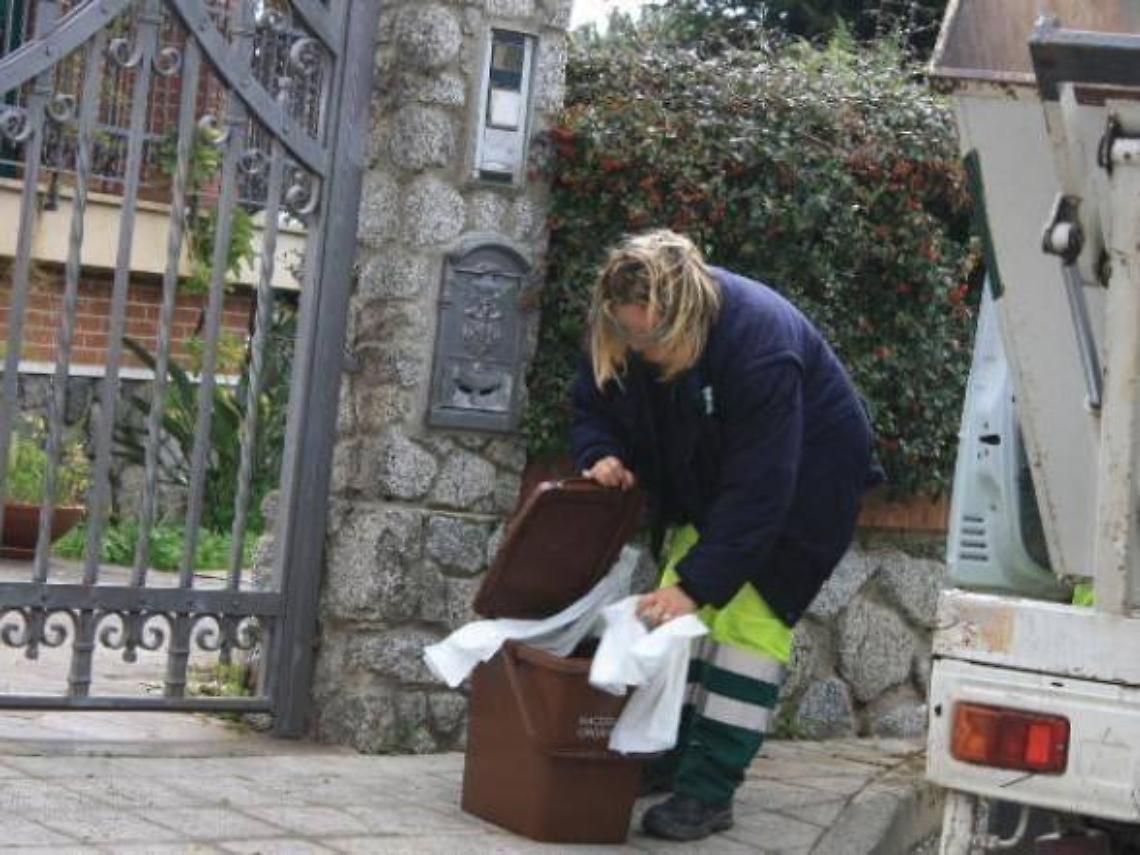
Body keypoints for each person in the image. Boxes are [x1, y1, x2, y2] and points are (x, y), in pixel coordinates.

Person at [572, 229, 884, 842]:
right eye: (628, 335)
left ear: (682, 318)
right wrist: (600, 451)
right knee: (670, 618)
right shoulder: (623, 321)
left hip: (802, 493)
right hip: (717, 486)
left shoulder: (759, 345)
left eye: (650, 338)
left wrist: (698, 585)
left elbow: (762, 490)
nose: (639, 349)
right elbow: (593, 403)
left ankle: (708, 791)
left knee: (745, 624)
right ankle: (668, 753)